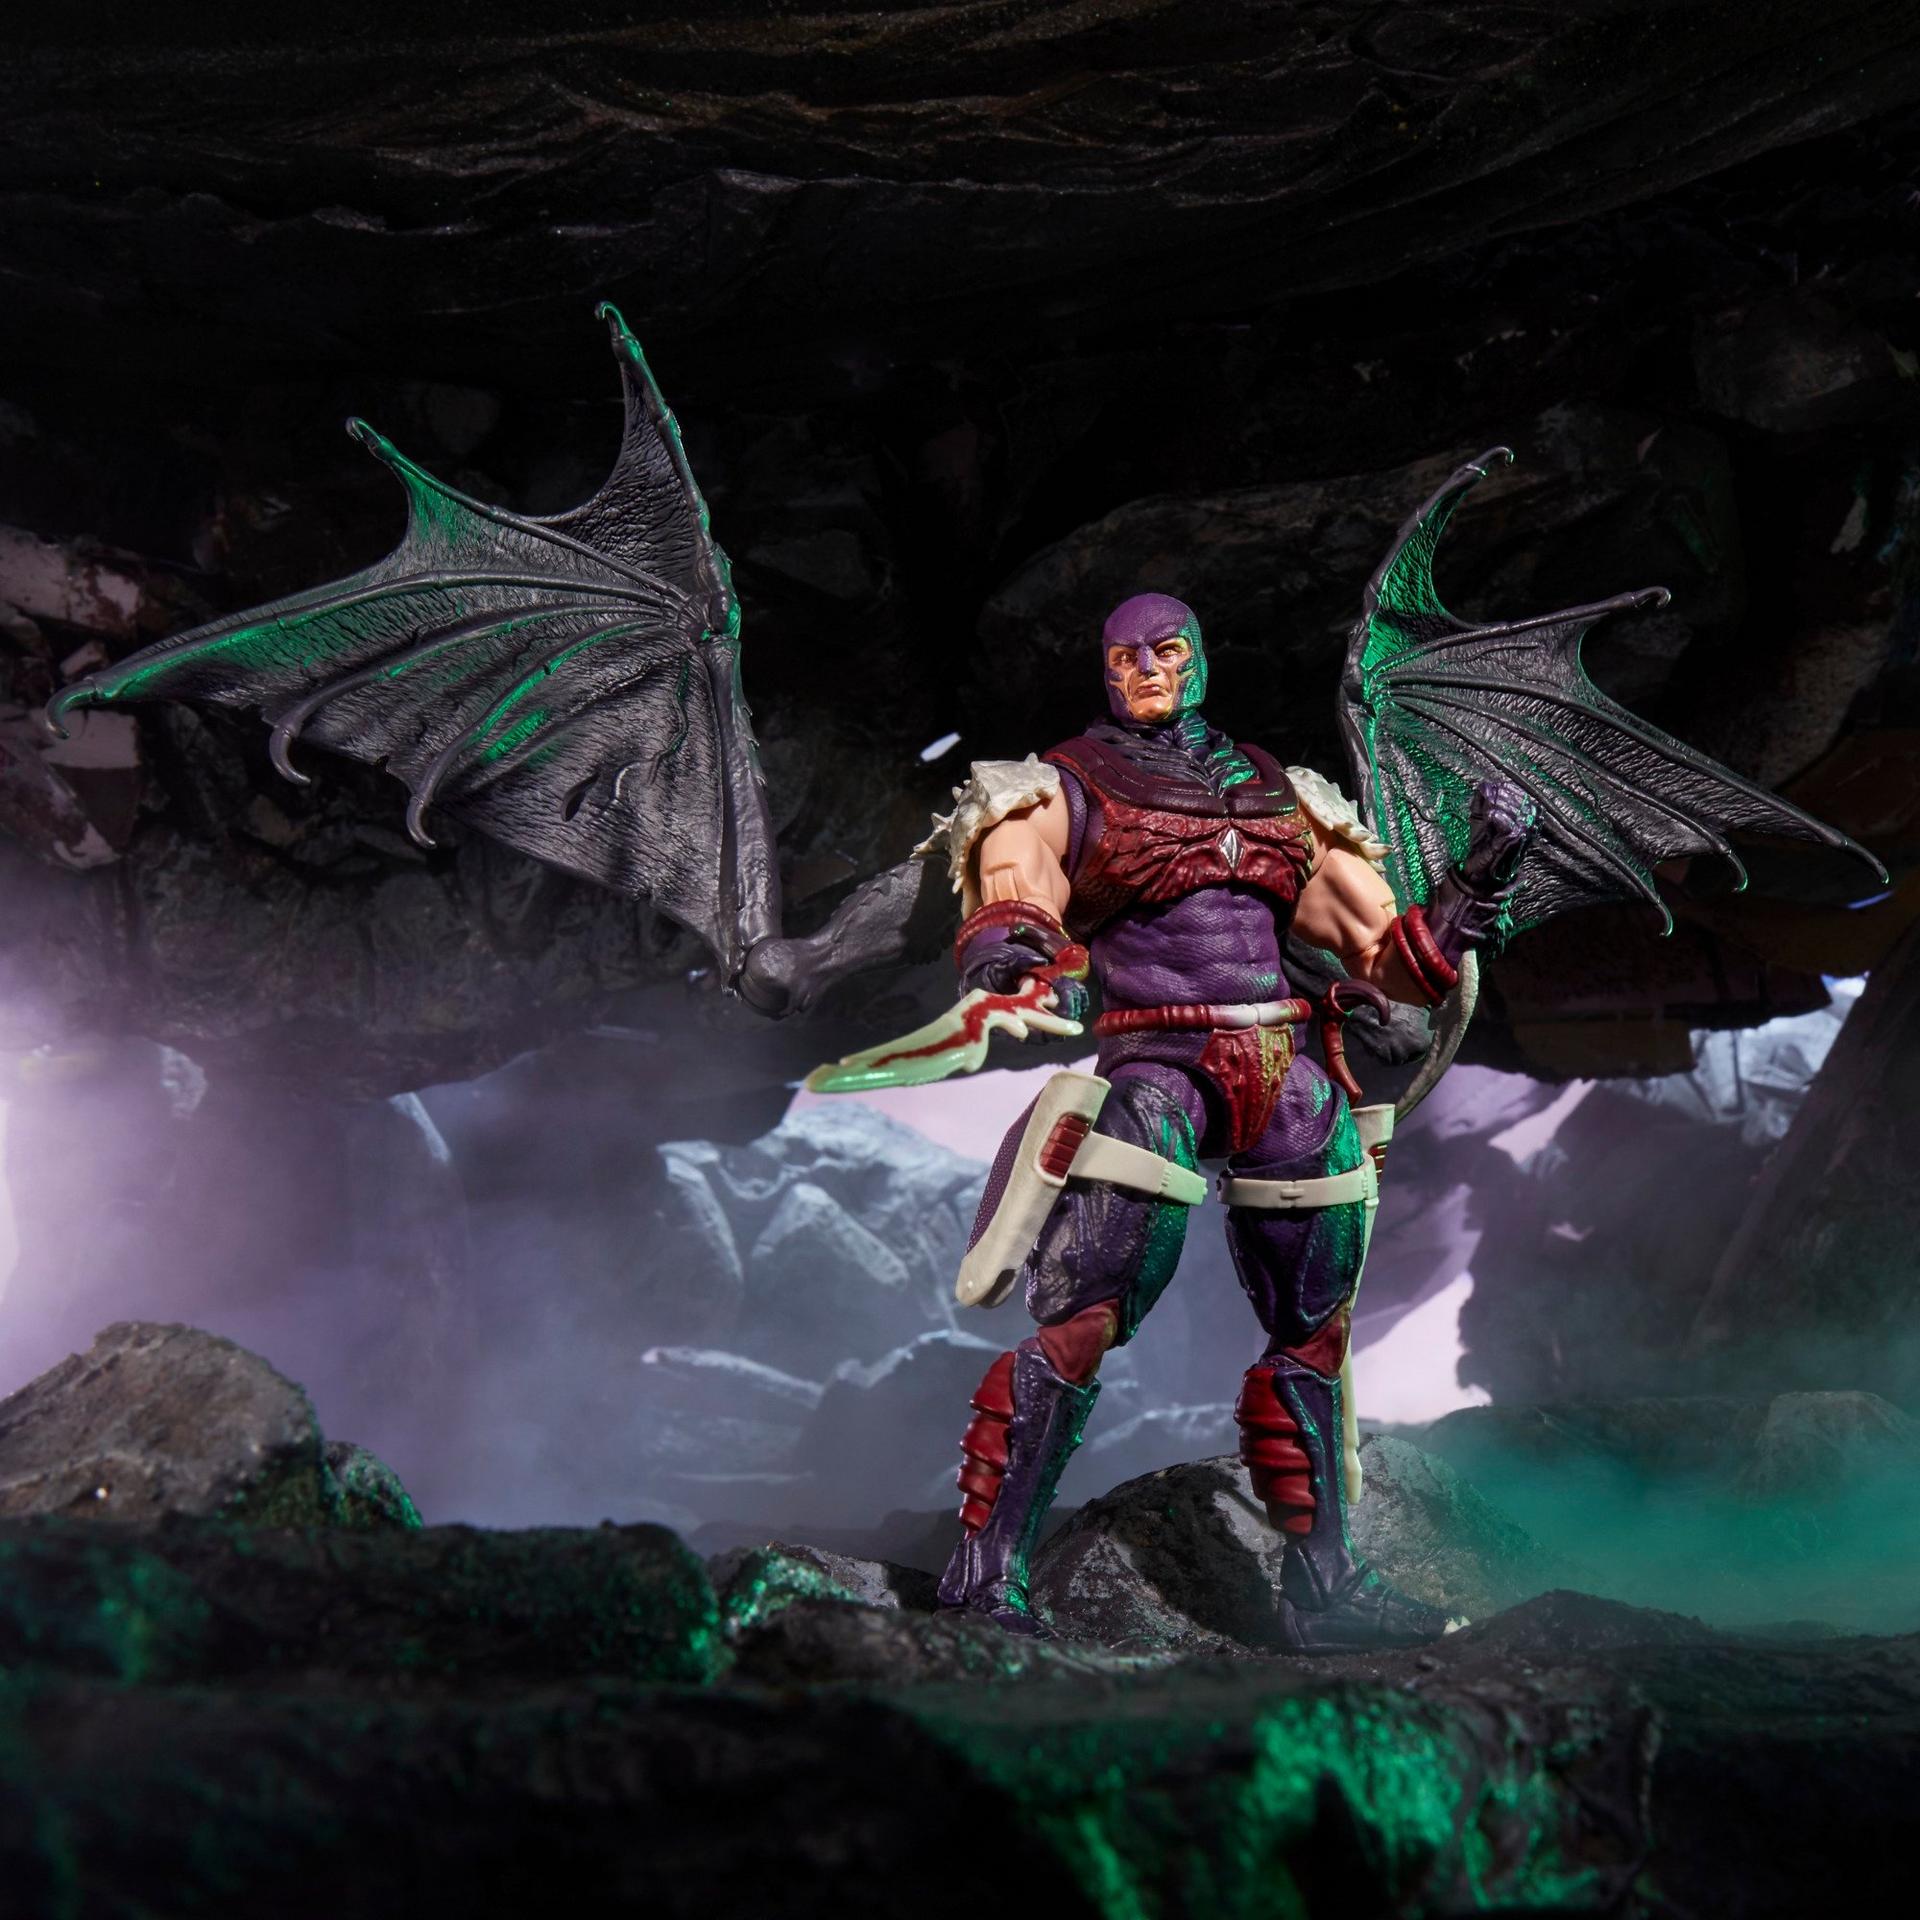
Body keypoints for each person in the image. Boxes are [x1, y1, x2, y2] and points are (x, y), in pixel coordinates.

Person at [927, 591, 1534, 1651]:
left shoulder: (1280, 795)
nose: (1143, 672)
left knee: (1316, 1332)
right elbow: (1014, 892)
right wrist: (1011, 949)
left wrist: (1477, 877)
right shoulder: (1059, 786)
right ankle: (984, 1573)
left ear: (1198, 659)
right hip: (1157, 1066)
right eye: (1124, 658)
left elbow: (1395, 962)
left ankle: (1325, 1588)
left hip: (1287, 1068)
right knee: (1082, 1319)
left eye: (1163, 652)